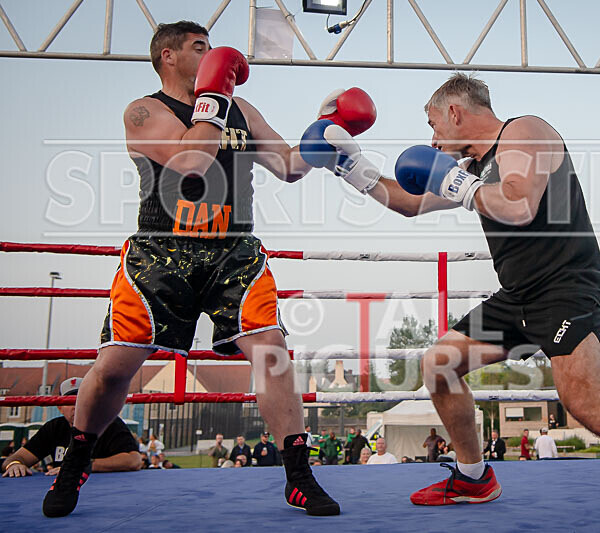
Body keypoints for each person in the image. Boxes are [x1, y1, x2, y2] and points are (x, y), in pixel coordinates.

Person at [298, 73, 600, 531]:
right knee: (439, 363)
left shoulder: (523, 133)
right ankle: (474, 477)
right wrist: (349, 165)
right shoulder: (472, 169)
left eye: (434, 122)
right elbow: (406, 202)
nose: (432, 137)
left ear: (456, 112)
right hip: (517, 296)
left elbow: (519, 205)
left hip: (564, 288)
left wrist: (459, 183)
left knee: (587, 404)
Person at [39, 21, 363, 518]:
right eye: (199, 48)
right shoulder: (143, 111)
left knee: (272, 351)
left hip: (233, 250)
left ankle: (298, 476)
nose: (212, 55)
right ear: (167, 56)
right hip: (160, 252)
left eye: (212, 48)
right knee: (112, 371)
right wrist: (213, 94)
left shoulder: (239, 108)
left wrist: (325, 133)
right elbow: (192, 159)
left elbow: (289, 165)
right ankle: (76, 461)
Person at [2, 378, 141, 478]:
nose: (76, 406)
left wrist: (81, 466)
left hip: (104, 491)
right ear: (60, 407)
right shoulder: (54, 428)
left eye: (81, 400)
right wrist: (14, 464)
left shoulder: (110, 423)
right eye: (69, 402)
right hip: (62, 489)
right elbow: (17, 458)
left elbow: (133, 460)